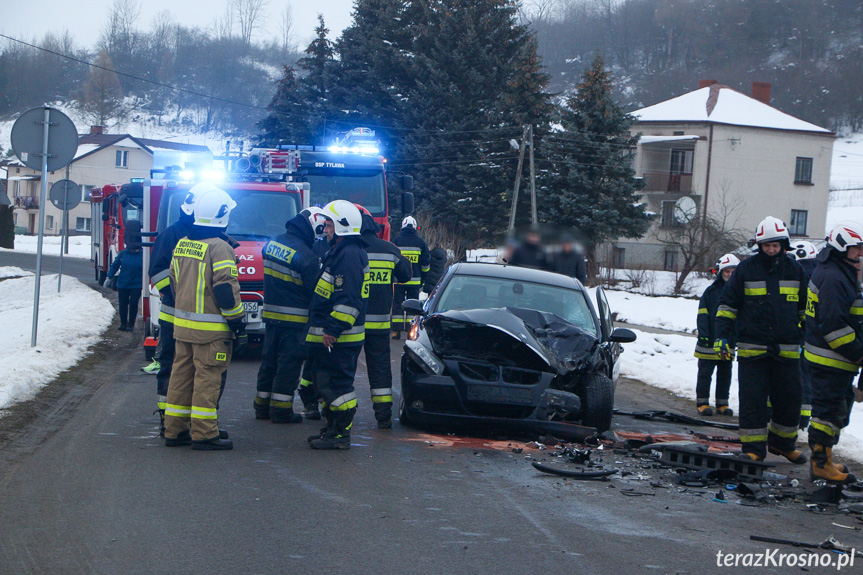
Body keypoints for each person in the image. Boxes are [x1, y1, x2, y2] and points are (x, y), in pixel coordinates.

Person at [714, 216, 808, 464]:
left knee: (790, 399)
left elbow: (805, 310)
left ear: (783, 244)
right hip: (752, 349)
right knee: (753, 400)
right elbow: (727, 305)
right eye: (766, 245)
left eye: (775, 245)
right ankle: (754, 448)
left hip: (787, 350)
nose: (771, 250)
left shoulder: (795, 270)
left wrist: (807, 337)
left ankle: (783, 444)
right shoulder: (745, 269)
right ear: (759, 245)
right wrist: (722, 336)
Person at [164, 186, 244, 451]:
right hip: (211, 332)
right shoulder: (220, 248)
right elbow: (225, 290)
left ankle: (174, 431)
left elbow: (174, 283)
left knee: (181, 379)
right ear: (222, 216)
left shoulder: (183, 244)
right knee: (207, 380)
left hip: (183, 327)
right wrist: (237, 321)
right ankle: (204, 433)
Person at [305, 200, 369, 450]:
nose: (326, 229)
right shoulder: (341, 252)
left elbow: (348, 299)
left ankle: (341, 434)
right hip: (335, 335)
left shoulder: (349, 255)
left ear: (343, 226)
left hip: (341, 337)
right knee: (326, 384)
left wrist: (332, 329)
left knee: (338, 386)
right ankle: (332, 428)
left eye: (329, 224)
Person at [804, 222, 863, 483]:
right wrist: (858, 353)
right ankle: (820, 464)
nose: (859, 254)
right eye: (855, 249)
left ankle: (825, 458)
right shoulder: (835, 277)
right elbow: (833, 325)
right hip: (831, 359)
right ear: (841, 247)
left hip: (836, 359)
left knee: (835, 410)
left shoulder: (839, 270)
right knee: (826, 414)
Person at [254, 208, 323, 423]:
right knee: (289, 365)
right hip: (295, 321)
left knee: (269, 362)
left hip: (271, 316)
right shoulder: (307, 256)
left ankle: (262, 407)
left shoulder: (272, 243)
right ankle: (281, 411)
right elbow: (316, 292)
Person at [356, 204, 412, 428]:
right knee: (380, 368)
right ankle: (383, 416)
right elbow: (406, 275)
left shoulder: (347, 250)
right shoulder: (389, 250)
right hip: (379, 324)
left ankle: (335, 413)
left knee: (343, 369)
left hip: (351, 323)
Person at [694, 253, 739, 416]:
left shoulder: (739, 292)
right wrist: (704, 334)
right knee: (705, 373)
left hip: (728, 340)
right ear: (721, 272)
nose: (730, 274)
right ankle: (702, 402)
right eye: (727, 271)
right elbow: (703, 314)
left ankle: (722, 403)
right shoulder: (711, 291)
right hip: (709, 340)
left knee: (725, 373)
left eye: (733, 271)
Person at [791, 240, 818, 429]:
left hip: (797, 337)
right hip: (812, 339)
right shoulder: (820, 276)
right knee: (806, 380)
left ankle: (796, 418)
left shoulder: (797, 275)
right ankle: (803, 420)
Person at [392, 216, 429, 339]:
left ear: (402, 226)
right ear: (415, 227)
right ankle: (410, 330)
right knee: (413, 306)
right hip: (415, 281)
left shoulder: (396, 241)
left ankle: (396, 331)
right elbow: (425, 264)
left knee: (397, 304)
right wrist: (423, 278)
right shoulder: (420, 243)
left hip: (399, 281)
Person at [106, 242, 143, 331]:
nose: (132, 251)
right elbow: (115, 265)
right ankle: (123, 323)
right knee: (123, 304)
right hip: (123, 283)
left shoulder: (143, 255)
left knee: (133, 304)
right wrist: (109, 277)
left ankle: (131, 324)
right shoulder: (123, 254)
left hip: (137, 284)